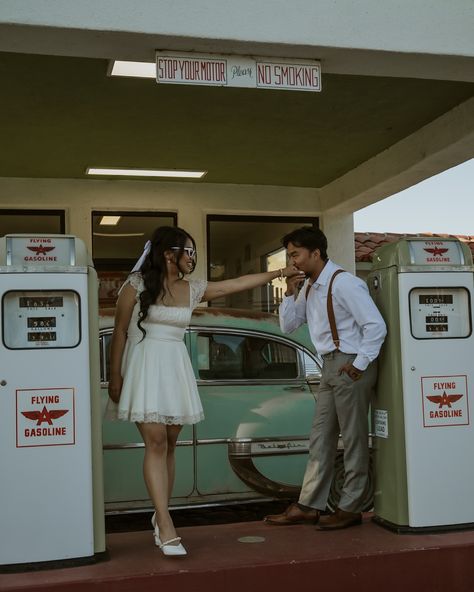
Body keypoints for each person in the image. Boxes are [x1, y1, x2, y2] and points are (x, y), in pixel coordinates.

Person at [107, 226, 302, 556]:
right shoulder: (135, 286)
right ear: (168, 254)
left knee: (169, 443)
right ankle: (166, 524)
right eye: (188, 251)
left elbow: (234, 284)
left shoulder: (192, 289)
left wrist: (280, 271)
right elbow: (120, 331)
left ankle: (160, 513)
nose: (192, 258)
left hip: (174, 365)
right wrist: (115, 377)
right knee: (154, 441)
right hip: (144, 365)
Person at [264, 226, 386, 530]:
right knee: (320, 437)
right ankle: (309, 505)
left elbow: (375, 327)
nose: (293, 261)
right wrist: (291, 292)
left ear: (315, 253)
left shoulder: (344, 283)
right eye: (290, 255)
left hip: (350, 364)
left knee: (354, 437)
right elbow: (289, 326)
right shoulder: (309, 286)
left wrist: (359, 363)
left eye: (296, 254)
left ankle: (350, 506)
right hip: (331, 366)